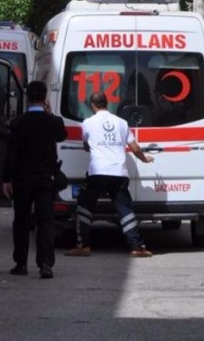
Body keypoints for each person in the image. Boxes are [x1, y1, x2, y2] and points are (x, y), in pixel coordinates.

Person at [65, 92, 155, 258]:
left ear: (92, 106)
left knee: (84, 207)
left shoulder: (88, 123)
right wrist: (145, 159)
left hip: (97, 172)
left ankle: (83, 246)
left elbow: (86, 144)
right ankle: (137, 247)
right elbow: (134, 148)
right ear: (107, 104)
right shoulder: (121, 122)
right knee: (126, 211)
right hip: (118, 172)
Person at [2, 81, 67, 279]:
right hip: (45, 179)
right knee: (46, 222)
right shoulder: (53, 122)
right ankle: (45, 264)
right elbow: (61, 136)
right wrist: (50, 113)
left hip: (22, 179)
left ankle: (21, 263)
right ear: (45, 98)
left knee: (21, 221)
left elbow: (11, 153)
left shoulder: (18, 122)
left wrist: (6, 179)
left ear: (27, 98)